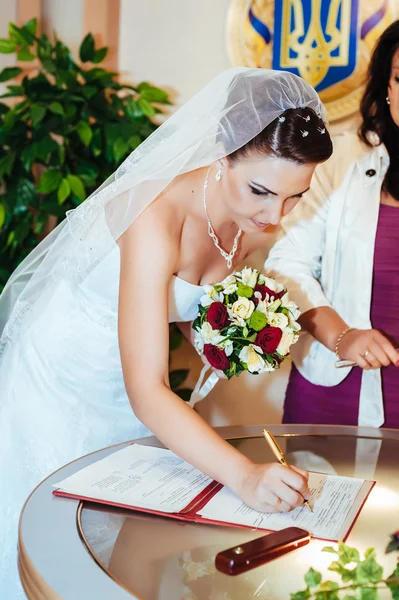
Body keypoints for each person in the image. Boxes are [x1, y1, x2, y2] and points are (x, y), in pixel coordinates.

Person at [0, 67, 332, 596]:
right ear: (223, 152)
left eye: (295, 197)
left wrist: (231, 338)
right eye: (262, 191)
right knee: (54, 538)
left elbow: (184, 315)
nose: (275, 216)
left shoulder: (250, 219)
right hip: (63, 376)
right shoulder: (155, 214)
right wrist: (245, 476)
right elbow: (147, 390)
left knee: (121, 532)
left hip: (136, 379)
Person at [265, 21, 399, 429]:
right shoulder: (339, 163)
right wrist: (343, 336)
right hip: (336, 391)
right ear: (388, 88)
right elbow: (286, 263)